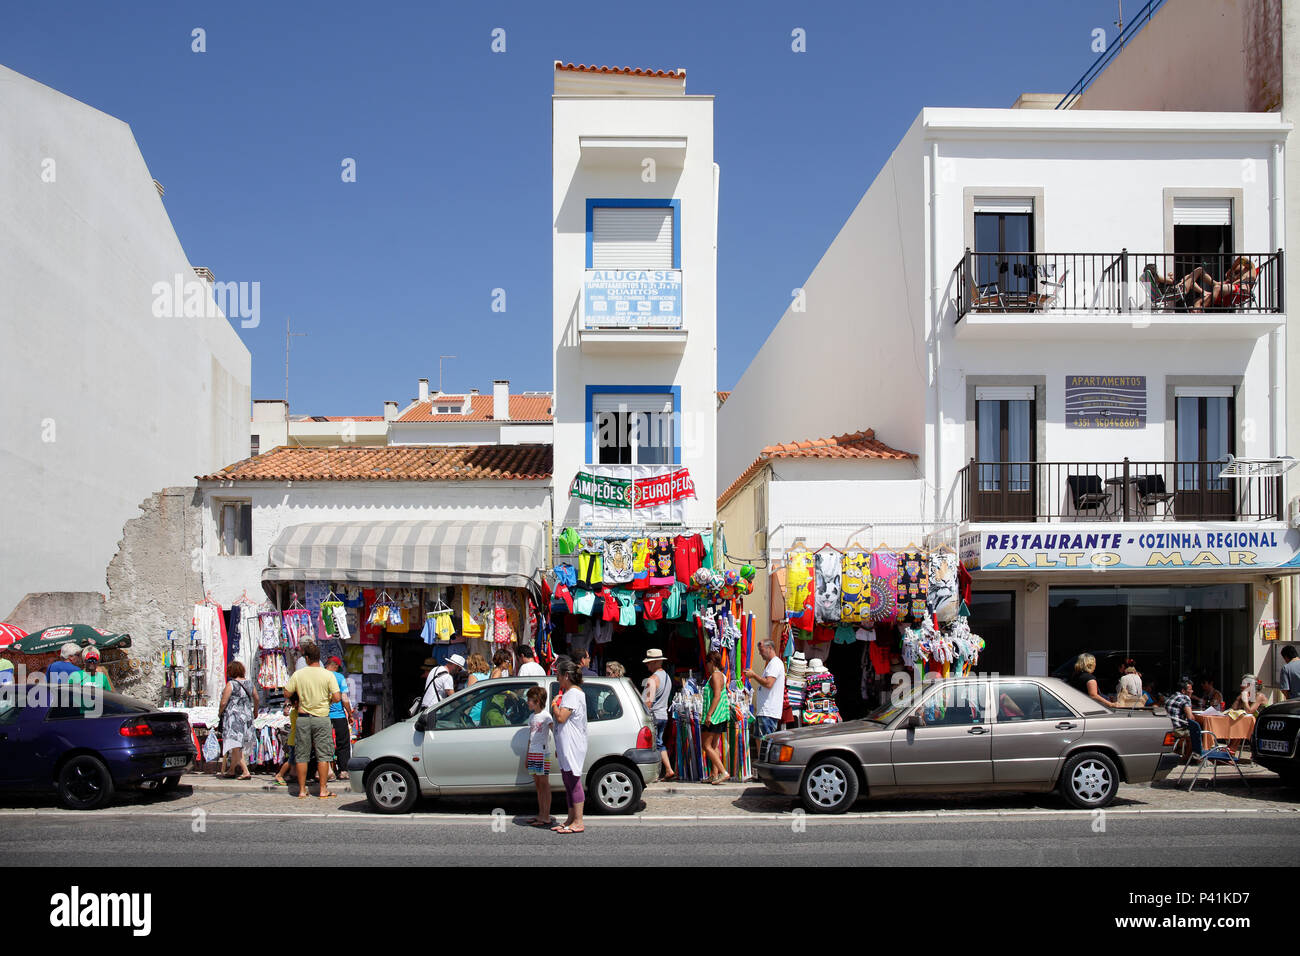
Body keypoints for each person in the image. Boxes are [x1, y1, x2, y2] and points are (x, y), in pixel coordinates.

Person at [283, 642, 341, 800]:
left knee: (302, 754)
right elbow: (337, 697)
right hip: (321, 718)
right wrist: (327, 700)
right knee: (323, 755)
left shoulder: (299, 674)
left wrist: (299, 696)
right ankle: (323, 789)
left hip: (303, 717)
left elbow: (287, 692)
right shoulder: (327, 675)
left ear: (307, 658)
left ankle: (302, 790)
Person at [549, 660, 588, 834]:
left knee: (573, 780)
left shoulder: (572, 693)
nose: (557, 678)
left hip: (572, 743)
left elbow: (561, 717)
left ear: (566, 675)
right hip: (567, 742)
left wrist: (554, 705)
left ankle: (578, 820)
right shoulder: (571, 693)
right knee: (568, 780)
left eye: (558, 674)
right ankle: (570, 818)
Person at [217, 661, 258, 780]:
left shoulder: (231, 684)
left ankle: (245, 771)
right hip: (247, 717)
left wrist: (220, 713)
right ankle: (231, 770)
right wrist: (255, 710)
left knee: (235, 744)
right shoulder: (249, 684)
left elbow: (224, 702)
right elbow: (256, 697)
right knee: (237, 745)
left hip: (234, 718)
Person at [641, 650, 676, 781]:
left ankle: (656, 772)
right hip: (663, 715)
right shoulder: (667, 677)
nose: (647, 666)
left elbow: (648, 702)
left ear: (655, 662)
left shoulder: (652, 679)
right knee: (660, 743)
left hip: (654, 715)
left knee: (653, 745)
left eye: (649, 663)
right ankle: (668, 769)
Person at [524, 685, 554, 828]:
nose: (528, 702)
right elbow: (530, 738)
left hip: (543, 752)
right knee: (537, 784)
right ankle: (541, 813)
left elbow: (555, 731)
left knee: (544, 784)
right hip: (533, 752)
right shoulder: (532, 717)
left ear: (537, 701)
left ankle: (546, 815)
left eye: (530, 699)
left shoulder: (546, 716)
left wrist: (558, 748)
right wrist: (527, 755)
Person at [744, 638, 786, 737]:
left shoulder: (775, 663)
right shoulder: (771, 664)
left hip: (768, 711)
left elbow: (768, 683)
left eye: (761, 650)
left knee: (764, 742)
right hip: (765, 711)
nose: (760, 653)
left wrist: (754, 675)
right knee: (760, 741)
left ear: (769, 648)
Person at [701, 649, 731, 784]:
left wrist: (708, 715)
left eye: (707, 662)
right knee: (713, 745)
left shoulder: (715, 676)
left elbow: (717, 696)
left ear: (712, 662)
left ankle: (723, 772)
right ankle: (714, 774)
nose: (706, 665)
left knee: (706, 745)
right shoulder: (719, 675)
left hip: (715, 716)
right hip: (719, 715)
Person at [325, 656, 354, 781]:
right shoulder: (339, 677)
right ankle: (343, 771)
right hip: (338, 716)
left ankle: (325, 771)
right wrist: (350, 714)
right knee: (343, 743)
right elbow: (344, 698)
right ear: (335, 666)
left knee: (324, 744)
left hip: (323, 715)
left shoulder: (321, 675)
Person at [1166, 677, 1205, 761]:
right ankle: (1189, 757)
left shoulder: (1172, 696)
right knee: (1195, 731)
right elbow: (1190, 717)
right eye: (1190, 689)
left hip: (1168, 727)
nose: (1192, 691)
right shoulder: (1185, 698)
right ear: (1183, 691)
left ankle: (1187, 755)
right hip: (1178, 729)